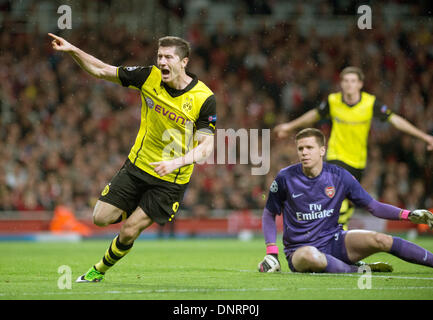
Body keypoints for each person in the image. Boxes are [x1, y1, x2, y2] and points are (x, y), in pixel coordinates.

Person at [48, 33, 216, 282]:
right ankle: (137, 208)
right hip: (137, 166)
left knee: (128, 231)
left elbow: (206, 148)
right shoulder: (149, 77)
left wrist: (175, 162)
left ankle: (98, 271)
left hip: (170, 180)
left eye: (169, 57)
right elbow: (102, 70)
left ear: (184, 62)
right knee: (100, 218)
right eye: (160, 56)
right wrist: (73, 49)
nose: (162, 61)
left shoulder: (204, 99)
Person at [274, 67, 433, 230]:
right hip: (336, 157)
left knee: (346, 200)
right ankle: (335, 235)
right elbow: (314, 114)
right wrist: (289, 126)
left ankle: (339, 233)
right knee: (335, 194)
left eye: (353, 81)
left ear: (360, 84)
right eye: (345, 81)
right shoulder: (333, 101)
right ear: (341, 84)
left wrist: (424, 136)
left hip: (358, 161)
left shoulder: (370, 103)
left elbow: (395, 120)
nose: (349, 85)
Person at [258, 128, 433, 273]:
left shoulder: (339, 176)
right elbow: (269, 213)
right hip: (300, 250)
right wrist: (272, 253)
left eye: (309, 147)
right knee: (311, 256)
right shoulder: (285, 178)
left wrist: (408, 215)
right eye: (300, 148)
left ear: (322, 150)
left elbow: (373, 206)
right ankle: (359, 270)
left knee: (382, 240)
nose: (304, 152)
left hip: (334, 241)